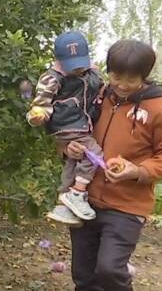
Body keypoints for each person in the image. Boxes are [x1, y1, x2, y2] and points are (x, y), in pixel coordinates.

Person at [59, 39, 162, 291]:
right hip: (85, 200)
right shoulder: (98, 95)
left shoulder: (158, 108)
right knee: (84, 275)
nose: (123, 85)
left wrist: (137, 171)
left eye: (131, 80)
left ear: (145, 76)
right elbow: (78, 130)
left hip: (127, 206)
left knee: (110, 270)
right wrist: (69, 148)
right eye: (116, 77)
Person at [27, 30, 104, 225]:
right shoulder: (53, 78)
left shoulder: (91, 73)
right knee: (93, 154)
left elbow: (101, 87)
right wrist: (38, 115)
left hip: (78, 124)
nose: (78, 71)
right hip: (69, 125)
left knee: (73, 162)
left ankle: (63, 203)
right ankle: (77, 193)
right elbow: (40, 102)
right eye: (72, 67)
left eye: (81, 65)